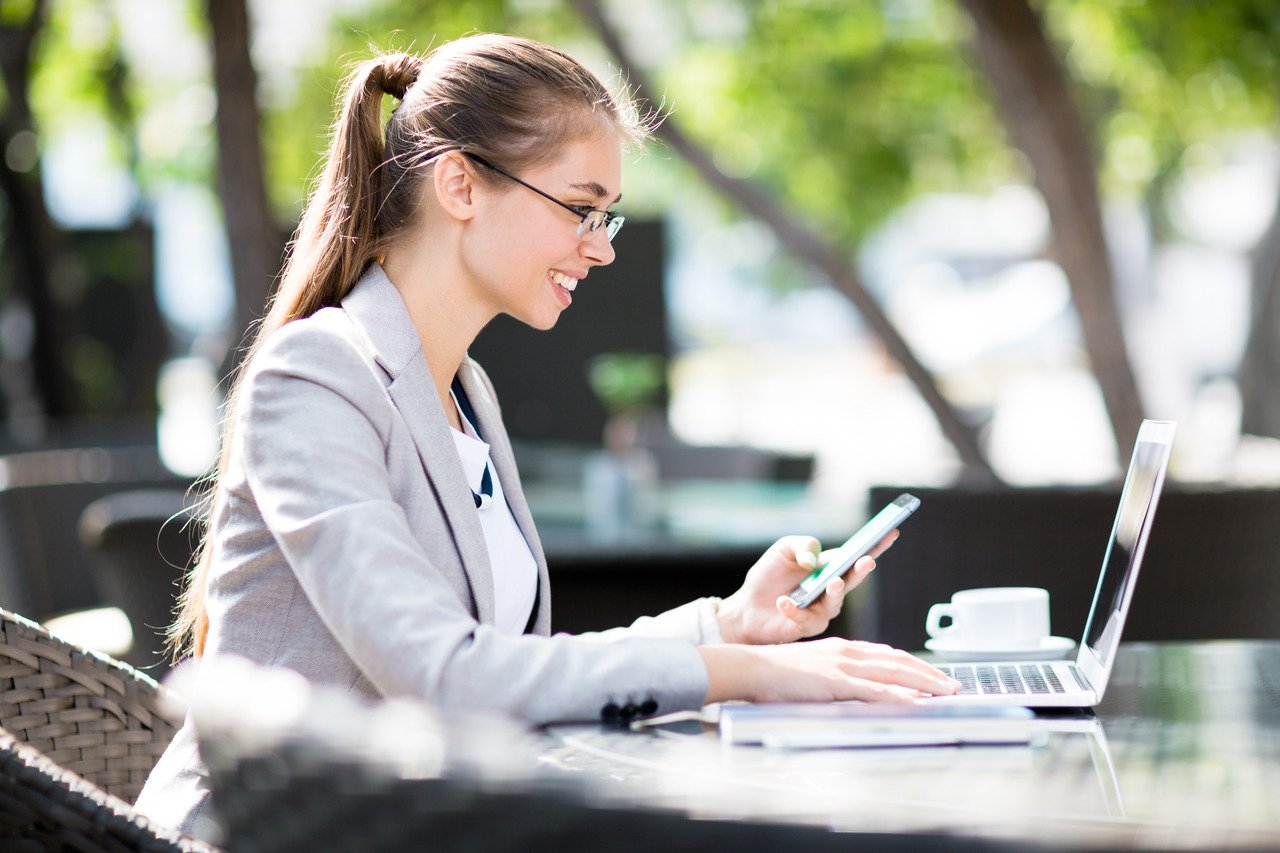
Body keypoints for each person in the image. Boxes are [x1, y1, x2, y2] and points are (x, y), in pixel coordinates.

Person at [135, 33, 957, 837]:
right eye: (580, 208)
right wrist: (743, 675)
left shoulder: (466, 390)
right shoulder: (316, 375)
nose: (598, 249)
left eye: (608, 218)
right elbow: (445, 674)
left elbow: (510, 664)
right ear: (460, 185)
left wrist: (729, 622)